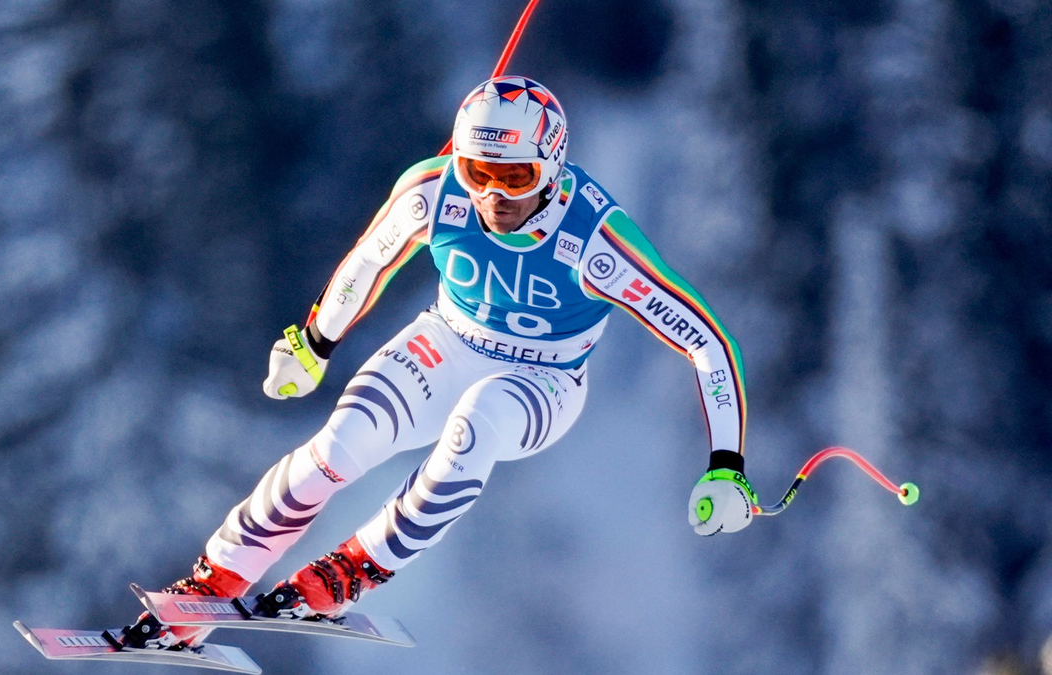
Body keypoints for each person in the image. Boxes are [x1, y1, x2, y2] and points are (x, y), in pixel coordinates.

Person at [118, 75, 758, 649]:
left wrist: (727, 466)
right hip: (448, 342)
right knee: (341, 444)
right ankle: (210, 583)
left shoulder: (596, 239)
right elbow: (369, 261)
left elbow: (707, 339)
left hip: (543, 380)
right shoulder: (432, 191)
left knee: (478, 422)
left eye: (515, 178)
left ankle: (351, 570)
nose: (493, 198)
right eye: (480, 172)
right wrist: (313, 343)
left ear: (554, 168)